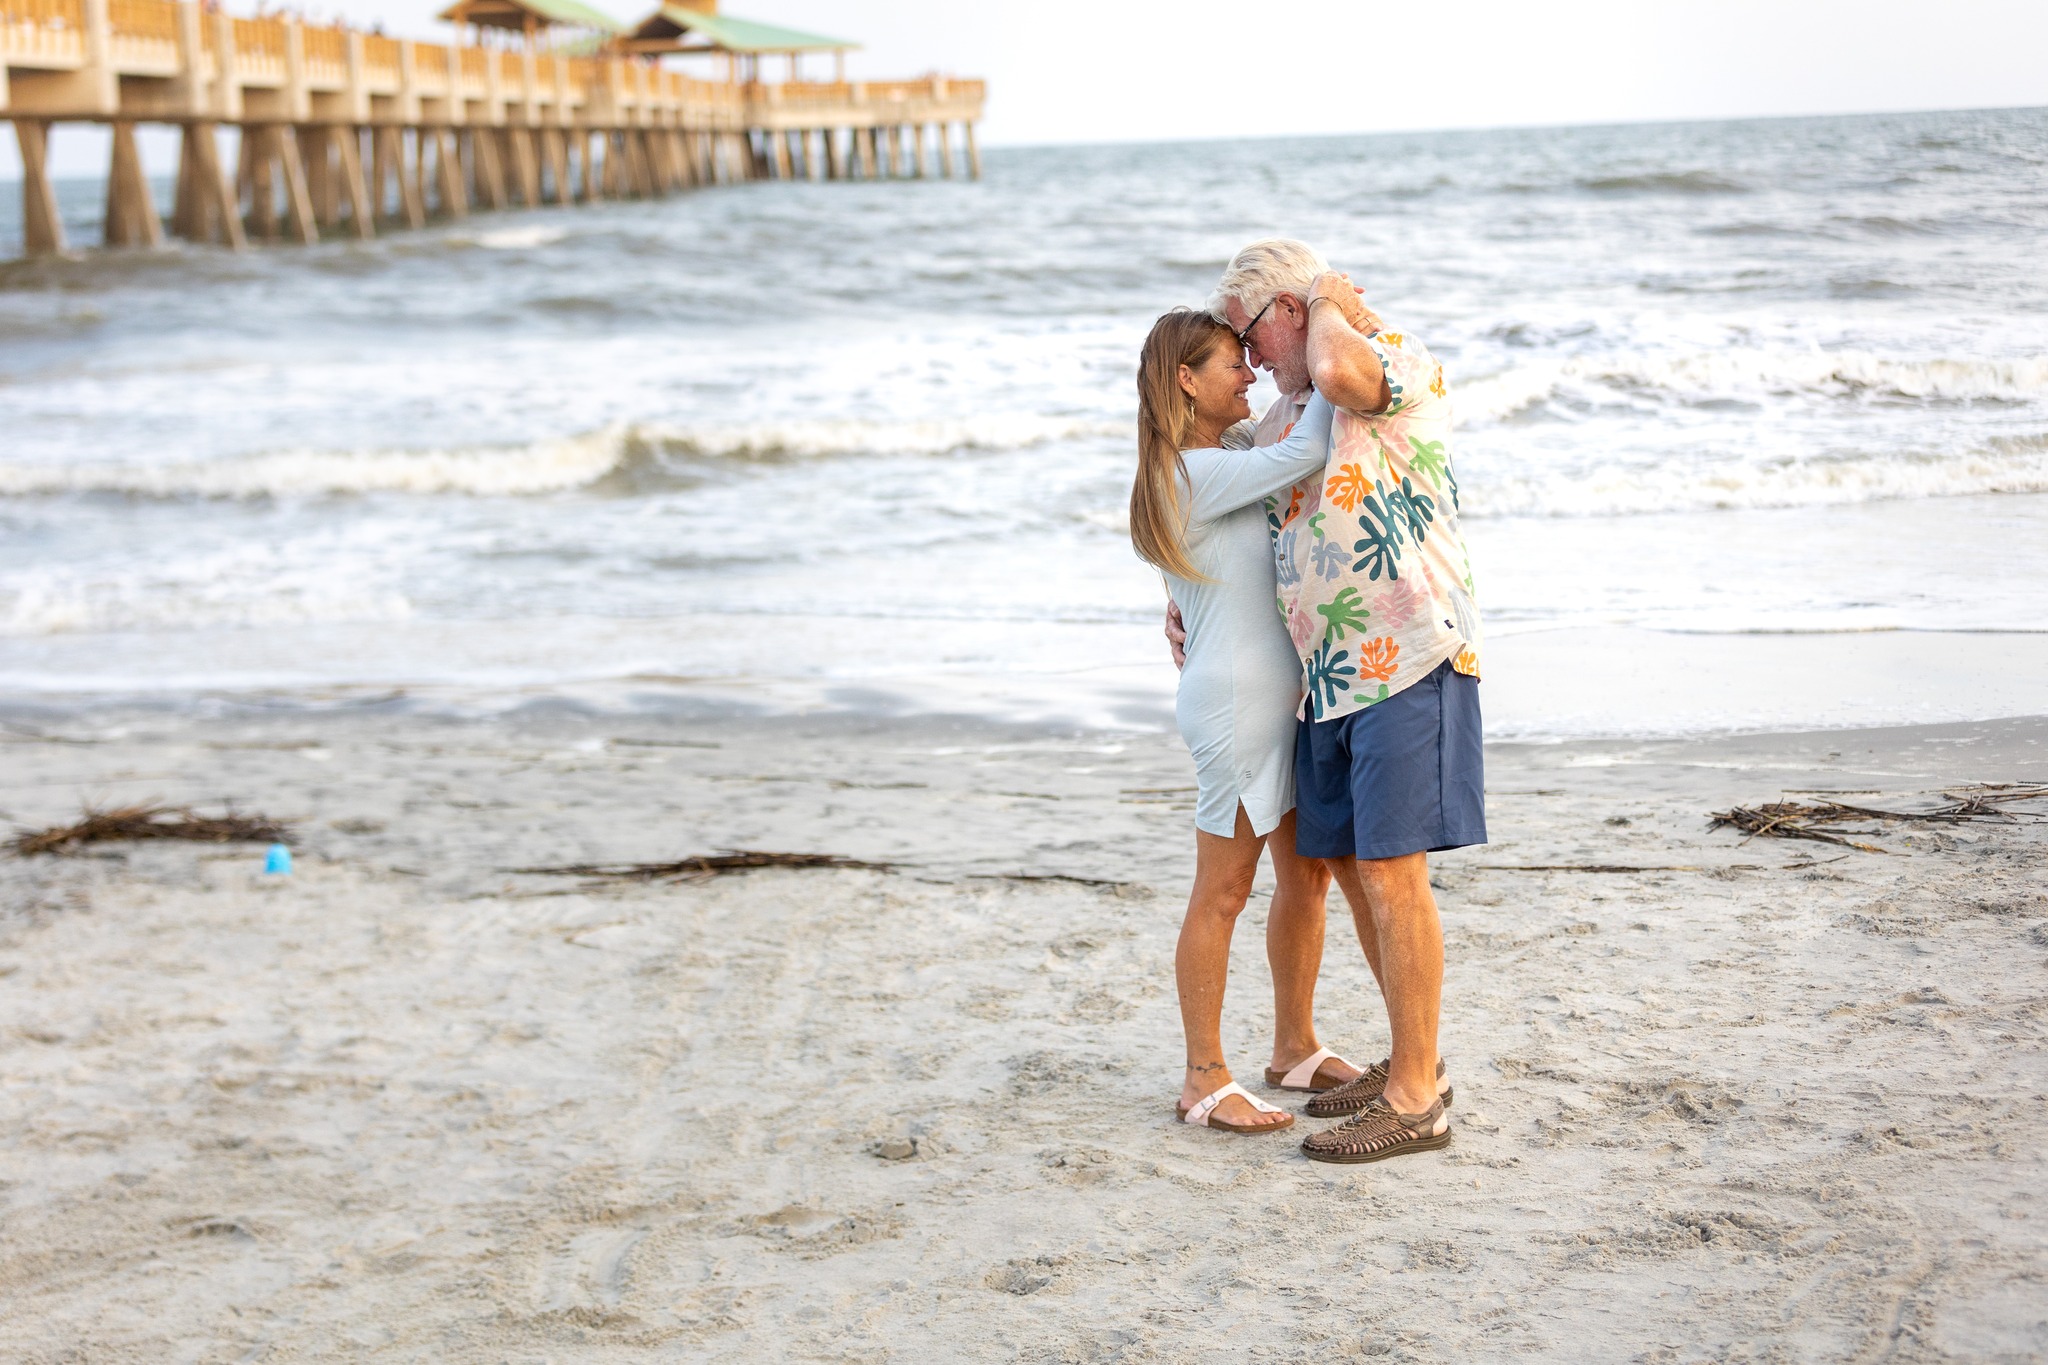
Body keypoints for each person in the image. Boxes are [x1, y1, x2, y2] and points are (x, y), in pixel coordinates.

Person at [1189, 238, 1486, 1164]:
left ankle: (1416, 1097)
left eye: (1248, 332)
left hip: (1407, 652)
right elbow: (1194, 492)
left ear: (1285, 309)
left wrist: (1324, 296)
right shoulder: (1287, 408)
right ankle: (1409, 1062)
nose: (1249, 356)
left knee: (1395, 872)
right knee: (1358, 871)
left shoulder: (1382, 353)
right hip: (1329, 675)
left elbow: (1336, 364)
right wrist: (1179, 600)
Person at [1130, 308, 1361, 1134]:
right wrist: (1332, 336)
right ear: (1186, 381)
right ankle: (1203, 1078)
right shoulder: (1191, 471)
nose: (1251, 374)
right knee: (1223, 889)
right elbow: (1305, 449)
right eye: (1234, 363)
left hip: (1275, 697)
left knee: (1306, 873)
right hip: (1234, 703)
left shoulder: (1215, 462)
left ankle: (1294, 1046)